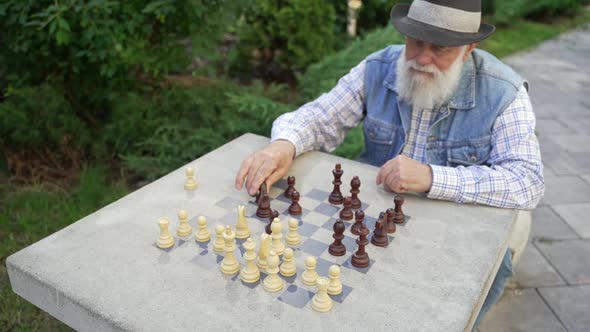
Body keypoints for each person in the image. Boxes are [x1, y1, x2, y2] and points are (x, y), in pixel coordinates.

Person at [235, 0, 544, 327]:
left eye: (439, 49)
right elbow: (320, 117)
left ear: (469, 48)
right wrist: (284, 145)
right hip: (374, 217)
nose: (422, 59)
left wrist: (430, 177)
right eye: (416, 42)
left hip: (451, 225)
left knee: (454, 306)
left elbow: (527, 181)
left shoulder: (504, 92)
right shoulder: (378, 68)